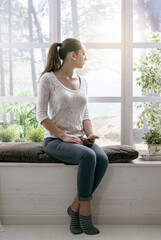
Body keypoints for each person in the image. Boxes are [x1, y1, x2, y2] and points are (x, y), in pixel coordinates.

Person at [36, 38, 108, 235]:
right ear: (72, 55)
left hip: (79, 138)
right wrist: (63, 135)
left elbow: (84, 114)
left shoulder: (83, 81)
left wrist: (90, 134)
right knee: (88, 156)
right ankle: (85, 213)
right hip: (54, 140)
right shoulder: (48, 79)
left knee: (102, 158)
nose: (86, 57)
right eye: (83, 53)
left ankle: (74, 207)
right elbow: (41, 115)